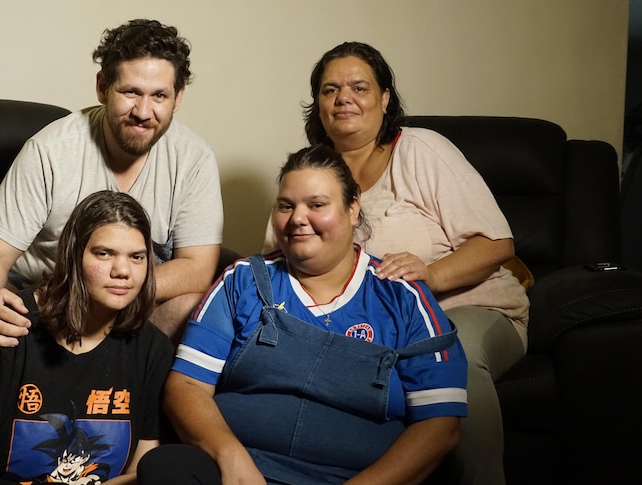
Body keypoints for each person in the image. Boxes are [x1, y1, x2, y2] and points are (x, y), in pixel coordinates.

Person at [263, 41, 530, 484]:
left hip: (467, 309)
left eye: (359, 87)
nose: (343, 98)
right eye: (330, 90)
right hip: (370, 328)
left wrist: (430, 275)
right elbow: (281, 253)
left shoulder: (422, 150)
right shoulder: (312, 172)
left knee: (448, 351)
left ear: (385, 98)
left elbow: (497, 242)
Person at [138, 145, 468, 485]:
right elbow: (187, 385)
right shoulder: (242, 280)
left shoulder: (403, 296)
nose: (297, 218)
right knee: (167, 466)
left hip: (356, 477)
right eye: (286, 206)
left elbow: (441, 425)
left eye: (317, 205)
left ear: (353, 208)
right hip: (241, 472)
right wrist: (230, 456)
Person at [0, 18, 223, 357]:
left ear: (177, 98)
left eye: (159, 95)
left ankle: (129, 402)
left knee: (190, 308)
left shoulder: (194, 157)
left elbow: (197, 268)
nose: (144, 112)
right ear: (102, 87)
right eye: (130, 92)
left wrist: (107, 292)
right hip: (42, 298)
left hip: (130, 299)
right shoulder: (50, 151)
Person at [0, 190, 174, 485]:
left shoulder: (153, 350)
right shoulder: (6, 327)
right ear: (73, 255)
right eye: (104, 253)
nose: (123, 270)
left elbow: (141, 472)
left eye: (137, 257)